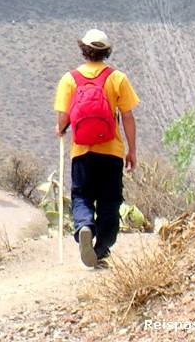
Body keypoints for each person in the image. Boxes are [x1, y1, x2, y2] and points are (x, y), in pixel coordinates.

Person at [54, 29, 139, 269]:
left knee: (81, 195)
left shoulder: (69, 79)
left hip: (82, 151)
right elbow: (128, 116)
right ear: (107, 52)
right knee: (109, 201)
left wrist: (60, 129)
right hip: (111, 152)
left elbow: (63, 117)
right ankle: (100, 250)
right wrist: (131, 150)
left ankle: (84, 226)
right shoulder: (117, 78)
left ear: (83, 49)